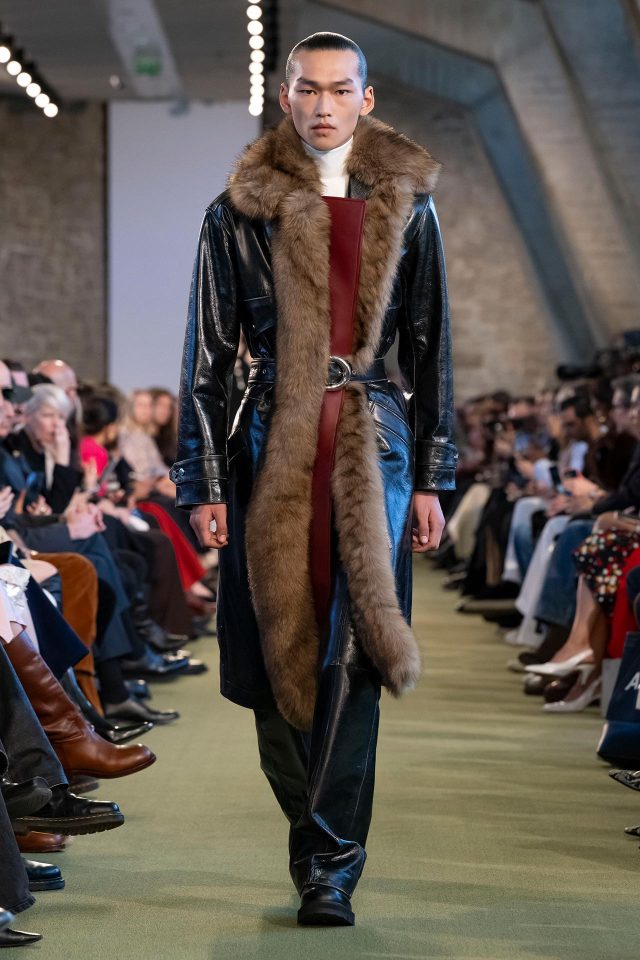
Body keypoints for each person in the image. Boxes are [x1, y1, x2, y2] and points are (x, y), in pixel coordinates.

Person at [174, 32, 456, 926]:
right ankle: (315, 834)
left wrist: (435, 477)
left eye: (340, 89)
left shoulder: (408, 206)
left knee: (354, 647)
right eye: (308, 89)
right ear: (285, 96)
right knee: (273, 649)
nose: (323, 105)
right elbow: (205, 359)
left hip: (375, 445)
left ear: (366, 100)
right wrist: (202, 480)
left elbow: (432, 352)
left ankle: (330, 866)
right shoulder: (235, 211)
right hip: (269, 440)